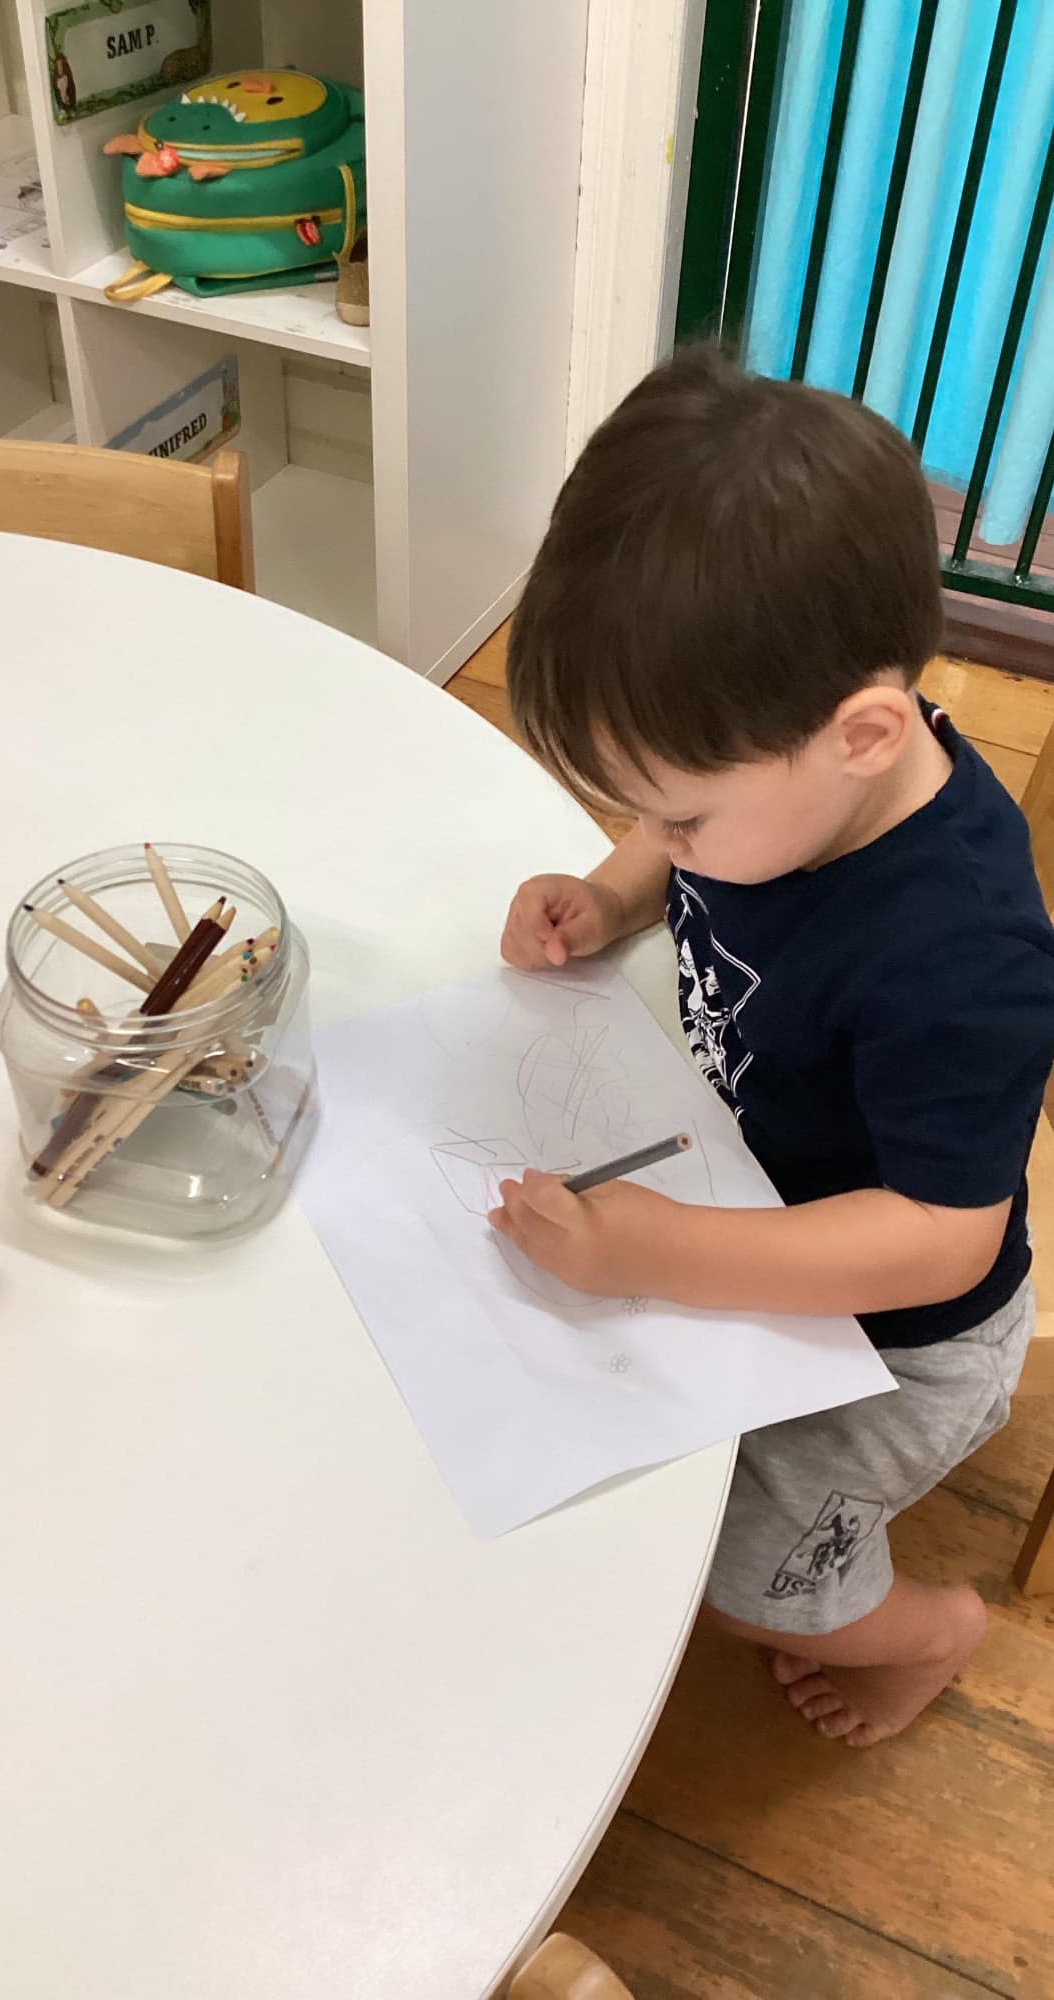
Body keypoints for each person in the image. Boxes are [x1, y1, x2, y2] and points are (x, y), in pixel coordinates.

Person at [491, 347, 1054, 1747]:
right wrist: (617, 887)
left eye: (675, 821)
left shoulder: (962, 959)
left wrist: (655, 1252)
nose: (661, 839)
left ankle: (932, 1634)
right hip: (749, 1197)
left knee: (748, 1590)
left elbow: (942, 1243)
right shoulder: (788, 767)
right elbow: (674, 804)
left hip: (901, 1334)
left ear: (865, 734)